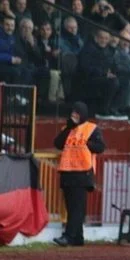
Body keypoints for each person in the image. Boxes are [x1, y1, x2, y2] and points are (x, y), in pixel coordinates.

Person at [52, 102, 106, 247]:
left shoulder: (91, 128)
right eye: (72, 113)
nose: (74, 115)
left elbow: (101, 147)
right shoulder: (68, 128)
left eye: (77, 113)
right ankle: (78, 238)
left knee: (76, 208)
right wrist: (69, 127)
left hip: (82, 173)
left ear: (82, 114)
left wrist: (87, 144)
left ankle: (69, 236)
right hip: (67, 172)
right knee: (72, 208)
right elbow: (57, 143)